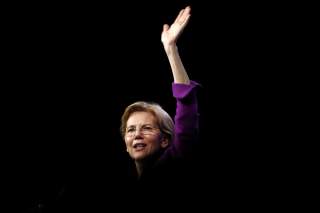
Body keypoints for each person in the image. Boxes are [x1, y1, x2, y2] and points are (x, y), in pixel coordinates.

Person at [120, 6, 201, 190]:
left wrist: (171, 49)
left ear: (165, 140)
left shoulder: (174, 163)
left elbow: (186, 107)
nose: (137, 135)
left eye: (147, 128)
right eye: (130, 130)